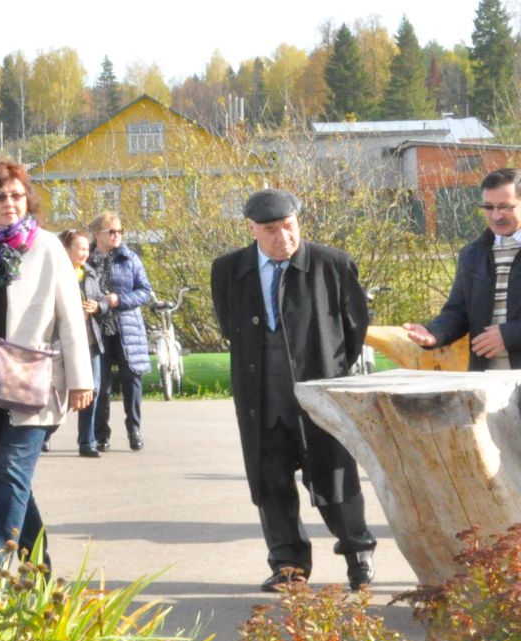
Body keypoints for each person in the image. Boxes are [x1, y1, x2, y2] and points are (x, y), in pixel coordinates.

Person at [212, 189, 377, 591]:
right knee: (271, 485)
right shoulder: (229, 269)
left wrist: (325, 369)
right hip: (260, 399)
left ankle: (358, 554)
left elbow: (355, 330)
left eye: (289, 227)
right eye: (270, 230)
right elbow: (228, 325)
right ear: (251, 229)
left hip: (317, 396)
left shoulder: (332, 264)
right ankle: (288, 565)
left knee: (335, 481)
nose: (282, 237)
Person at [0, 162, 95, 566]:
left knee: (10, 471)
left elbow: (70, 317)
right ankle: (37, 567)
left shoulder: (47, 248)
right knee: (12, 476)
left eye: (16, 195)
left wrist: (81, 378)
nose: (9, 203)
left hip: (34, 380)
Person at [405, 167, 521, 369]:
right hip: (486, 381)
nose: (495, 216)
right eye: (488, 207)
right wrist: (434, 333)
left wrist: (510, 335)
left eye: (505, 207)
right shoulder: (472, 254)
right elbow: (458, 311)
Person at [87, 211, 152, 451]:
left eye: (119, 231)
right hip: (98, 327)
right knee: (99, 383)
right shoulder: (87, 260)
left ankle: (134, 429)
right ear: (97, 234)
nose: (117, 236)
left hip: (127, 327)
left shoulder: (130, 258)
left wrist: (119, 300)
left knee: (131, 378)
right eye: (111, 231)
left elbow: (144, 291)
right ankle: (100, 434)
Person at [60, 228, 106, 458]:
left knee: (92, 389)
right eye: (80, 248)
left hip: (90, 340)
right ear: (67, 250)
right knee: (58, 392)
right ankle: (44, 435)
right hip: (62, 341)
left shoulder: (91, 273)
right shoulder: (57, 274)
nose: (85, 253)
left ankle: (87, 441)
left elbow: (101, 300)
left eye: (87, 248)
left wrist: (97, 307)